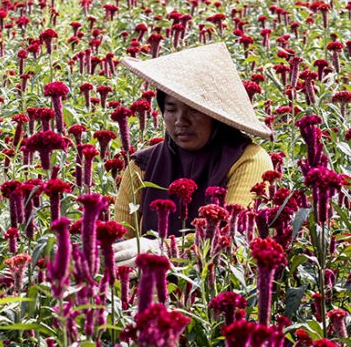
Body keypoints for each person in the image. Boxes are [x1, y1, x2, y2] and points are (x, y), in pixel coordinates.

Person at [112, 42, 274, 267]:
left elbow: (237, 237)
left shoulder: (248, 160)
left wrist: (161, 248)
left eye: (193, 110)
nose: (180, 121)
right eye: (171, 109)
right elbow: (122, 241)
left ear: (216, 115)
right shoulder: (142, 165)